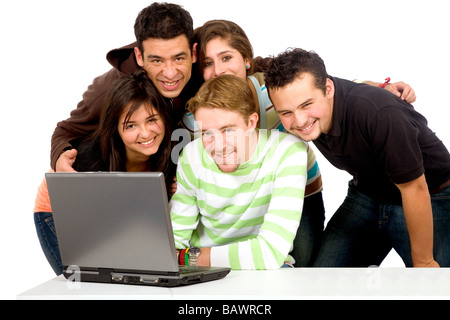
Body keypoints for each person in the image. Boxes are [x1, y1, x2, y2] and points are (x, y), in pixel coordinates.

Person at [191, 19, 418, 267]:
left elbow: (322, 87)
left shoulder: (273, 91)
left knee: (304, 266)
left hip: (298, 192)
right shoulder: (204, 109)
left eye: (226, 58)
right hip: (246, 199)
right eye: (208, 63)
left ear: (246, 60)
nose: (218, 70)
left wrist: (378, 87)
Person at [265, 48, 450, 268]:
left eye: (307, 105)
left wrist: (425, 262)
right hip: (368, 194)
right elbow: (351, 83)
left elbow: (415, 189)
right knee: (320, 281)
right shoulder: (312, 94)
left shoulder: (380, 114)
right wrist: (378, 84)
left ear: (328, 89)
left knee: (434, 283)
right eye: (286, 112)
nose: (300, 120)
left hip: (429, 194)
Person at [34, 70, 175, 275]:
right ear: (116, 129)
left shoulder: (172, 150)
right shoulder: (90, 158)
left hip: (115, 212)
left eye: (152, 120)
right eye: (131, 125)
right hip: (59, 208)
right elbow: (97, 223)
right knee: (87, 281)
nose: (145, 133)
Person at [170, 75, 308, 269]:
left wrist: (188, 258)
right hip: (203, 270)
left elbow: (268, 254)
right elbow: (173, 243)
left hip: (264, 268)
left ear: (251, 122)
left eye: (227, 130)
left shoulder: (287, 151)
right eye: (207, 133)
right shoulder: (191, 155)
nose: (218, 146)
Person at [51, 2, 202, 173]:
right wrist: (60, 158)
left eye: (179, 59)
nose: (170, 73)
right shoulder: (108, 91)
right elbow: (66, 130)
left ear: (194, 53)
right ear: (139, 56)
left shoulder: (204, 74)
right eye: (157, 60)